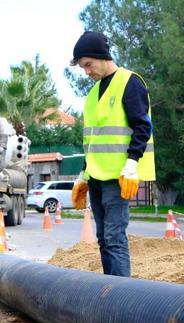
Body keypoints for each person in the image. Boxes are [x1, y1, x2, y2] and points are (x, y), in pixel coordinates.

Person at [70, 31, 156, 277]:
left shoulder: (129, 82)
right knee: (103, 238)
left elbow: (142, 127)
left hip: (119, 177)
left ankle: (121, 299)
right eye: (82, 67)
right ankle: (110, 290)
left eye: (88, 64)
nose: (87, 71)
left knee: (114, 237)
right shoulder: (93, 95)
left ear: (102, 56)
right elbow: (92, 141)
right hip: (97, 177)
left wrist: (131, 165)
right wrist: (84, 176)